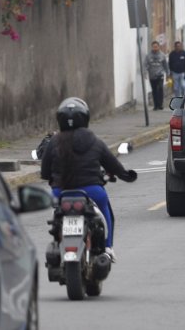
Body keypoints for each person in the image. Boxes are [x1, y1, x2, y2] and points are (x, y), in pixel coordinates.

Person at [40, 98, 137, 261]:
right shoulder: (94, 140)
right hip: (92, 190)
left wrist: (54, 179)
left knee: (57, 213)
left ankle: (59, 238)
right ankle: (107, 248)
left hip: (60, 192)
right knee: (105, 209)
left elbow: (44, 172)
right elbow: (113, 164)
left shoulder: (54, 142)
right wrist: (127, 176)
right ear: (85, 118)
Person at [145, 40, 169, 110]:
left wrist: (167, 74)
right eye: (153, 47)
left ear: (158, 47)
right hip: (152, 75)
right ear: (152, 47)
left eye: (156, 47)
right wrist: (145, 72)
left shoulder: (162, 55)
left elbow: (165, 65)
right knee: (154, 90)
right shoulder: (148, 55)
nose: (155, 48)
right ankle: (156, 105)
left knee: (160, 89)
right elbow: (145, 64)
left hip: (160, 75)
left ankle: (160, 104)